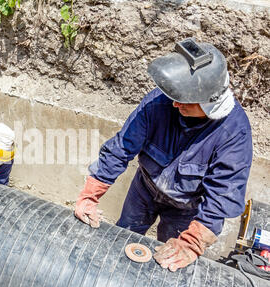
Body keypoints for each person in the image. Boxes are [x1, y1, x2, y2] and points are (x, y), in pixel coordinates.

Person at [74, 38, 253, 272]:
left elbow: (221, 197)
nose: (176, 104)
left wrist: (192, 243)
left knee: (167, 265)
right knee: (122, 239)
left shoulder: (234, 133)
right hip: (144, 190)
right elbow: (120, 149)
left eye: (185, 100)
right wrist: (89, 195)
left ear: (209, 103)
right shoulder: (158, 105)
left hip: (185, 208)